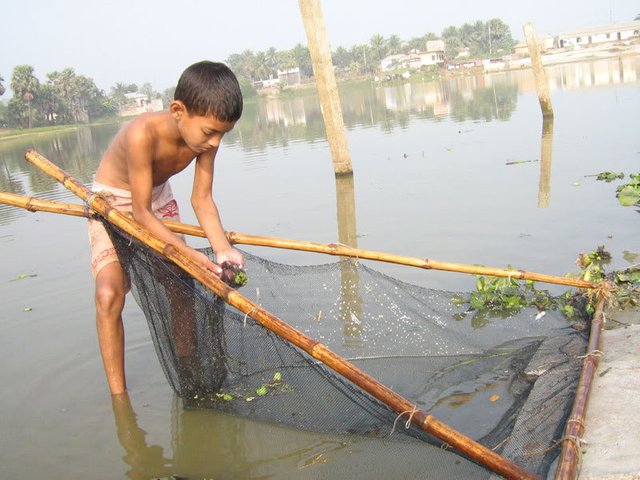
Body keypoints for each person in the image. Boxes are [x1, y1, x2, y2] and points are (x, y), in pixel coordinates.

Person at [88, 61, 244, 395]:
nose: (216, 143)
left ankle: (188, 372)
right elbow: (140, 213)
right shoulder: (142, 134)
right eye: (210, 132)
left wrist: (221, 249)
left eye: (223, 134)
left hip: (157, 198)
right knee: (108, 294)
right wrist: (188, 252)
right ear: (178, 111)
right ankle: (119, 398)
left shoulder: (203, 142)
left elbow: (201, 200)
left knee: (180, 285)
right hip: (112, 202)